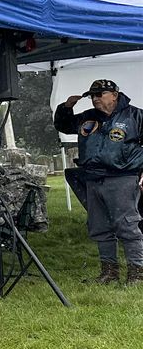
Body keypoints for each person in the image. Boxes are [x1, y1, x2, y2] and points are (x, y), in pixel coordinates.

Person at [54, 79, 143, 285]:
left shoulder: (135, 116)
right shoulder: (88, 117)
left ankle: (137, 273)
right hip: (92, 177)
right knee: (100, 227)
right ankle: (109, 272)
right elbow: (64, 125)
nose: (95, 99)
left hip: (122, 177)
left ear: (114, 95)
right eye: (92, 96)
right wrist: (66, 108)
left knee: (127, 225)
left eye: (99, 94)